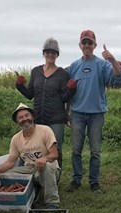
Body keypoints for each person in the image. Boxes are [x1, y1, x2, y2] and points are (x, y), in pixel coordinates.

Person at [66, 30, 121, 194]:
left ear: (95, 45)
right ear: (79, 45)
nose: (86, 45)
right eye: (84, 42)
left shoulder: (103, 64)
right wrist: (67, 111)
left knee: (95, 151)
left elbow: (117, 79)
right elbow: (68, 92)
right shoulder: (74, 66)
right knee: (76, 150)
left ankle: (94, 182)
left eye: (89, 43)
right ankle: (76, 179)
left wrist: (112, 60)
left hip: (96, 114)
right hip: (77, 113)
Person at [16, 37, 75, 169]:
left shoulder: (62, 74)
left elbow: (65, 98)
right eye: (47, 52)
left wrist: (72, 89)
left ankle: (56, 176)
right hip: (38, 117)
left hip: (56, 119)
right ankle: (38, 177)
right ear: (43, 54)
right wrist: (19, 85)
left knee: (56, 149)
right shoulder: (36, 72)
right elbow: (30, 94)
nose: (50, 55)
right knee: (38, 148)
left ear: (57, 55)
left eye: (53, 52)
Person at [0, 103, 60, 209]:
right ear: (17, 122)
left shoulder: (45, 130)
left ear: (32, 117)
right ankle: (28, 193)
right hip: (29, 168)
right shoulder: (16, 139)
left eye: (27, 115)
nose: (24, 119)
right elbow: (11, 162)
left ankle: (52, 202)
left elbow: (55, 154)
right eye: (20, 117)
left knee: (46, 167)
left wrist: (44, 158)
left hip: (49, 167)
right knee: (6, 175)